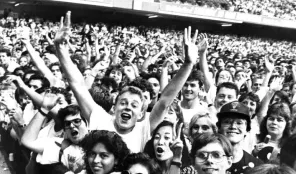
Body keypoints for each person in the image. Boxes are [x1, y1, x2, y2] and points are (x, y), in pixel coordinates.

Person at [54, 12, 199, 153]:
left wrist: (188, 64)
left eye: (134, 105)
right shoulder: (100, 119)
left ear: (142, 112)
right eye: (123, 103)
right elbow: (78, 86)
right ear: (114, 107)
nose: (128, 108)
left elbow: (165, 100)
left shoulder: (144, 129)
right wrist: (60, 49)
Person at [217, 101, 262, 174]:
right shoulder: (209, 161)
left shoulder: (257, 167)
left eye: (239, 123)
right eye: (227, 122)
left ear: (247, 129)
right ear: (219, 128)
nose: (233, 126)